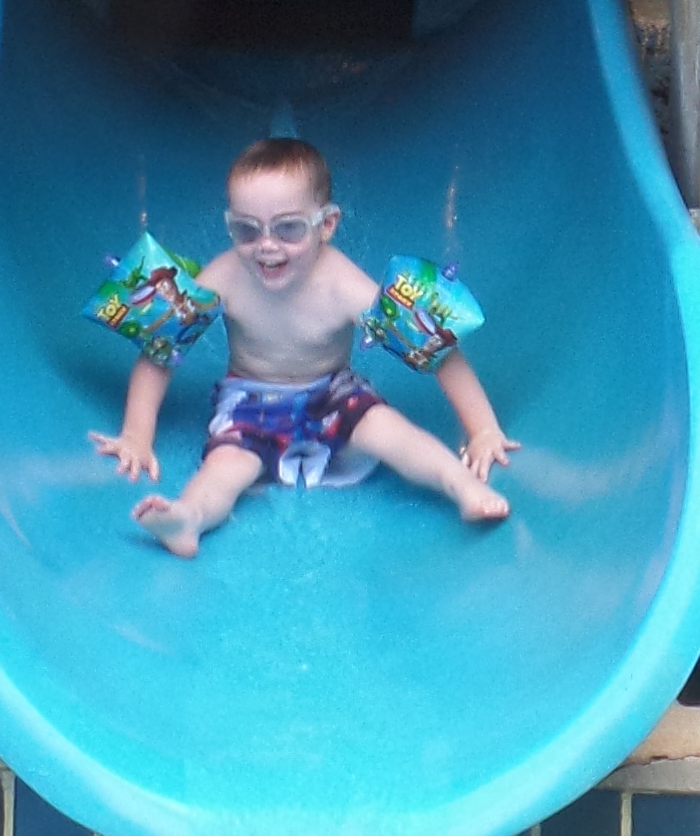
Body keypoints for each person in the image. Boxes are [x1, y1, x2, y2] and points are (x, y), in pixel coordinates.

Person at [92, 134, 515, 559]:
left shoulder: (343, 286)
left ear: (326, 225)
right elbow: (160, 349)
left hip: (334, 395)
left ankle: (461, 486)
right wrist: (136, 434)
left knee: (391, 432)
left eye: (289, 228)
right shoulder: (225, 277)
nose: (266, 245)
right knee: (225, 467)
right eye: (246, 230)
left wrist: (482, 429)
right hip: (249, 403)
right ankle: (189, 518)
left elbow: (434, 347)